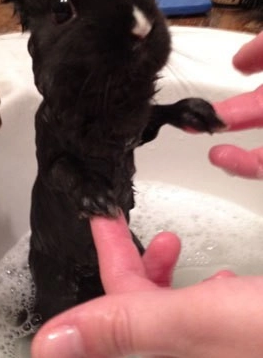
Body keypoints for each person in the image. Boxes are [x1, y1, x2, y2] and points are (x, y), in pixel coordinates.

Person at [31, 32, 263, 358]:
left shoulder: (119, 108)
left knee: (141, 288)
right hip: (60, 257)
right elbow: (55, 167)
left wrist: (172, 113)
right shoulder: (54, 118)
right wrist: (82, 188)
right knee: (55, 316)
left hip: (114, 238)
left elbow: (134, 129)